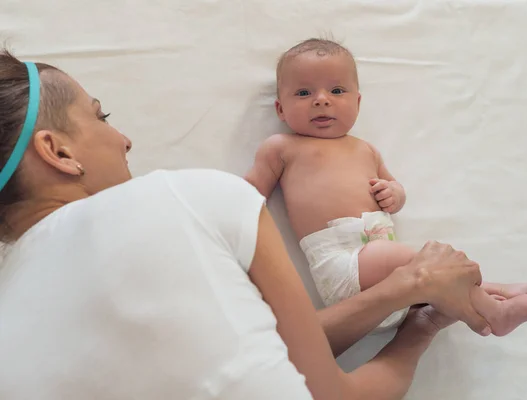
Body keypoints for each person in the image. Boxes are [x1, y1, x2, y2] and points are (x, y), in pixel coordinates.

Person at [0, 48, 486, 400]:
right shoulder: (187, 195)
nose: (124, 139)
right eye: (101, 116)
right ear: (57, 151)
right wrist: (421, 313)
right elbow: (335, 394)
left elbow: (272, 347)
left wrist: (403, 289)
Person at [245, 38, 527, 336]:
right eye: (303, 92)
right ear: (280, 109)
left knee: (431, 267)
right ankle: (493, 312)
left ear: (358, 102)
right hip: (343, 267)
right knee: (422, 260)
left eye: (337, 90)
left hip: (392, 278)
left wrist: (395, 195)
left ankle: (493, 291)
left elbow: (394, 188)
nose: (321, 99)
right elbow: (245, 195)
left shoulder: (366, 150)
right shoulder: (282, 147)